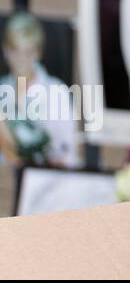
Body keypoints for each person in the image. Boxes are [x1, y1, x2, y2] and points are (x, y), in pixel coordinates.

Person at [0, 12, 80, 168]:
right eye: (15, 50)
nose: (21, 60)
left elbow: (67, 152)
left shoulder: (57, 92)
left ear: (38, 52)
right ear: (5, 51)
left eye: (28, 52)